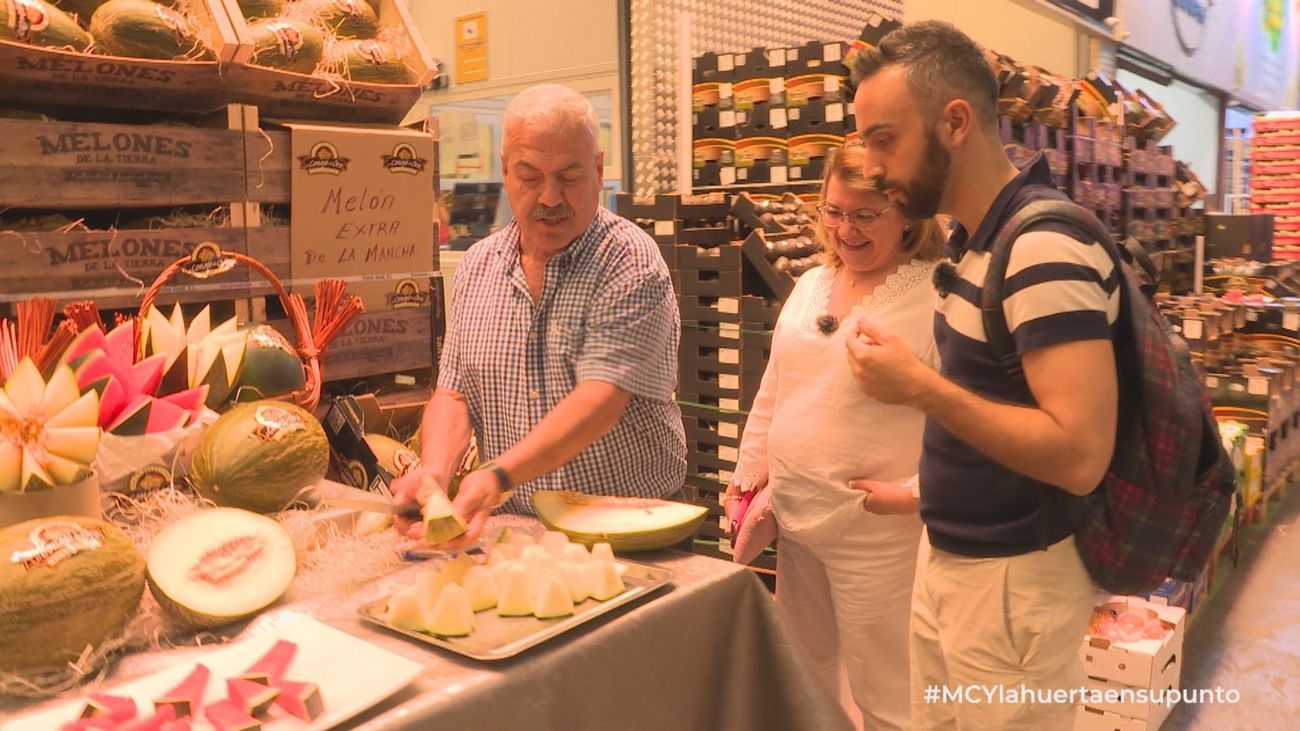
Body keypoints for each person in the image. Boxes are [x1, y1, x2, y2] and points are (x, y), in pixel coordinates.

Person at [845, 21, 1120, 730]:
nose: (871, 165)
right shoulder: (976, 243)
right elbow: (991, 407)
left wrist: (918, 386)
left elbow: (1082, 455)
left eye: (884, 138)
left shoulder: (1042, 247)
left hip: (1012, 583)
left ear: (956, 122)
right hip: (954, 565)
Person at [392, 84, 687, 546]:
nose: (549, 197)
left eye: (569, 177)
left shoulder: (630, 261)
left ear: (598, 168)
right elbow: (454, 393)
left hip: (625, 529)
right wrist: (433, 474)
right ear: (506, 171)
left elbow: (598, 403)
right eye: (529, 176)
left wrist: (498, 475)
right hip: (515, 529)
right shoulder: (478, 265)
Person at [724, 143, 945, 730]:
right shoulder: (811, 284)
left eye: (865, 215)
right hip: (798, 526)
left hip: (877, 536)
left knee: (889, 694)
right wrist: (748, 478)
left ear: (907, 215)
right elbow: (776, 386)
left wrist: (920, 494)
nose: (846, 229)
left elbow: (966, 415)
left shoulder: (935, 298)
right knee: (806, 680)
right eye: (833, 211)